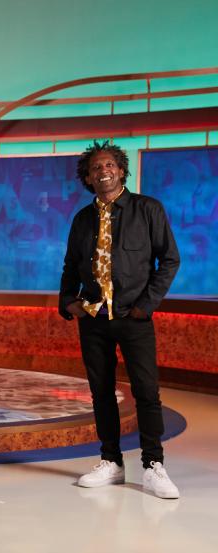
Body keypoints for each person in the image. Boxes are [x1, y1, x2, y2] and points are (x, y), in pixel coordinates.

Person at [59, 141, 181, 499]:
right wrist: (70, 303)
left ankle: (153, 465)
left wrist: (147, 304)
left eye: (110, 165)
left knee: (146, 392)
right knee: (101, 392)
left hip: (134, 317)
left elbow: (169, 260)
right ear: (88, 177)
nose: (104, 171)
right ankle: (111, 461)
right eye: (96, 168)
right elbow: (70, 268)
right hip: (93, 319)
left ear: (122, 170)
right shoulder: (82, 219)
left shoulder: (147, 209)